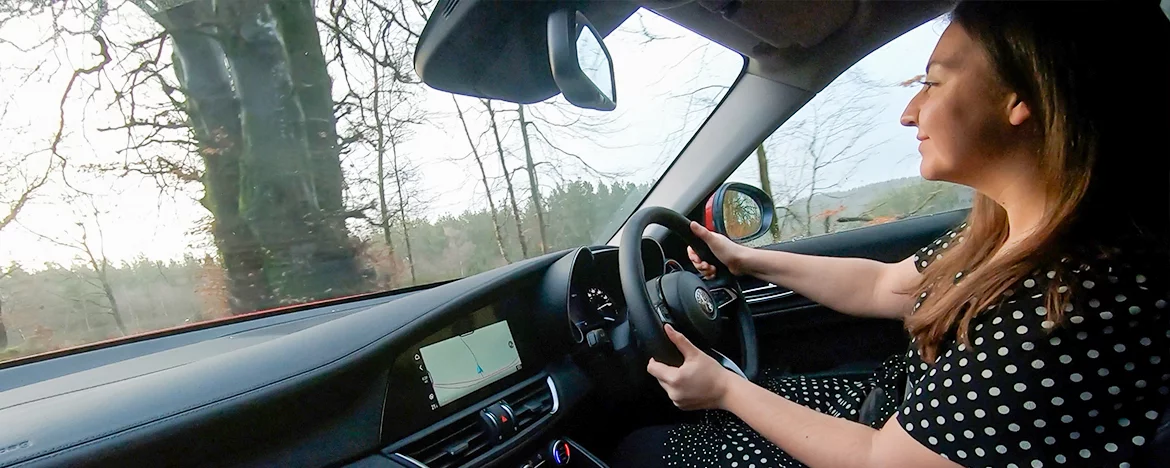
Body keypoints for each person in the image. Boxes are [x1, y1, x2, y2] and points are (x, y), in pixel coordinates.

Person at [613, 1, 1170, 467]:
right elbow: (883, 286)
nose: (909, 112)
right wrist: (746, 260)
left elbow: (883, 460)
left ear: (1021, 97)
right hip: (888, 412)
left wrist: (725, 390)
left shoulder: (1073, 304)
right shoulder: (1007, 234)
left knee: (641, 451)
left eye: (931, 83)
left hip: (887, 446)